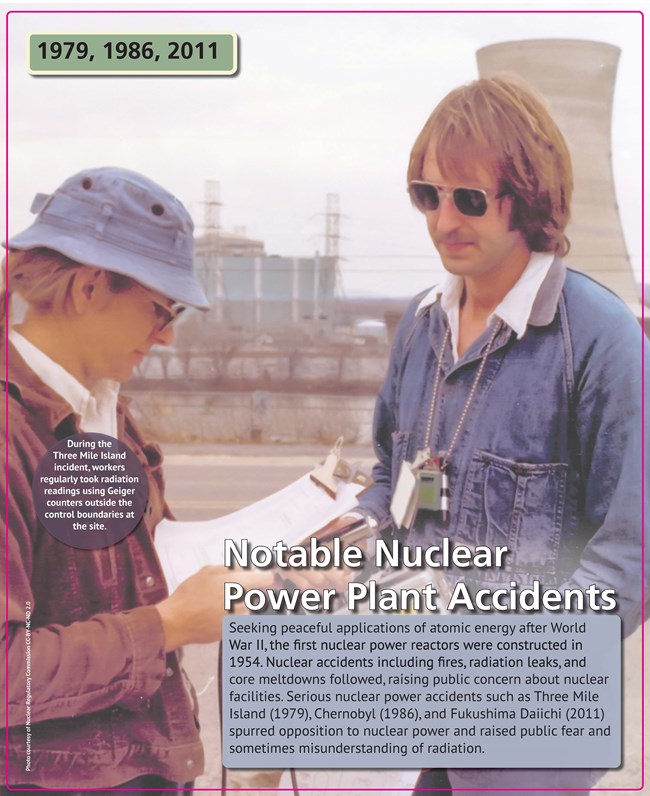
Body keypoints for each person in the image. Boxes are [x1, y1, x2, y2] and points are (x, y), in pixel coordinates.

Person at [353, 76, 648, 794]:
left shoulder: (602, 340)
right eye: (427, 195)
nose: (443, 220)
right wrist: (328, 555)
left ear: (530, 197)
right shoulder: (420, 325)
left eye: (469, 198)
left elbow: (628, 559)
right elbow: (389, 480)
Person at [1, 167, 275, 794]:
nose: (168, 335)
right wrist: (171, 625)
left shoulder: (102, 411)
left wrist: (255, 571)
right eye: (160, 309)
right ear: (89, 288)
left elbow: (130, 578)